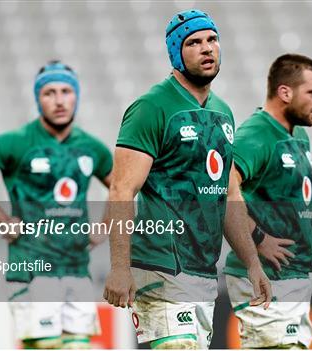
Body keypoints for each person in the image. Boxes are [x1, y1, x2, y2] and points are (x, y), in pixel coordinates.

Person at [102, 9, 271, 350]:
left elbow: (226, 195)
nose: (207, 48)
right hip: (159, 266)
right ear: (176, 52)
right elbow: (122, 188)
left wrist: (253, 263)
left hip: (202, 271)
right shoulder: (151, 107)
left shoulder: (223, 113)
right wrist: (119, 268)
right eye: (194, 43)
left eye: (212, 40)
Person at [0, 60, 113, 349]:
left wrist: (106, 226)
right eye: (49, 93)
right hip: (31, 266)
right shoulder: (18, 142)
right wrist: (1, 218)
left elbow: (123, 186)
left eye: (65, 91)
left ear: (76, 96)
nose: (59, 100)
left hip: (76, 267)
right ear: (38, 98)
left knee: (79, 347)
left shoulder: (91, 147)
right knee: (45, 346)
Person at [224, 54, 312, 349]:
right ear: (285, 92)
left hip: (293, 276)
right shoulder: (256, 135)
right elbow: (222, 189)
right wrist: (258, 237)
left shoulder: (299, 136)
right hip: (265, 277)